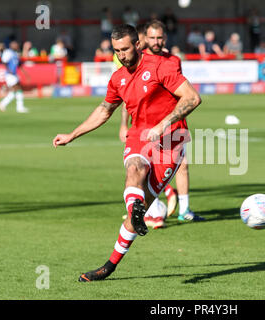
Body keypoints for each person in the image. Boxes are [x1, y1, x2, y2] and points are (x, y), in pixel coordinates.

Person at [52, 24, 202, 282]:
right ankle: (135, 209)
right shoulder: (118, 78)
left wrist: (163, 124)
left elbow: (191, 98)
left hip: (172, 142)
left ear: (138, 45)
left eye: (125, 49)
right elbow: (103, 111)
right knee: (134, 168)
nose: (121, 55)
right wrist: (72, 134)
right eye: (116, 50)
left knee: (140, 211)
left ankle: (109, 264)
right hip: (139, 136)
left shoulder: (160, 67)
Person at [121, 20, 204, 229]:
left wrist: (177, 119)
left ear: (164, 38)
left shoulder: (173, 60)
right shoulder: (138, 61)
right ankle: (149, 210)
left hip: (172, 124)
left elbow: (182, 93)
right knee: (146, 168)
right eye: (152, 38)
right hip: (145, 126)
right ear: (144, 39)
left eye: (160, 38)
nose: (156, 42)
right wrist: (123, 125)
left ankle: (184, 210)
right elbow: (128, 97)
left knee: (182, 165)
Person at [0, 41, 29, 113]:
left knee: (15, 91)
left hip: (14, 74)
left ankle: (3, 103)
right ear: (11, 45)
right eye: (15, 44)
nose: (16, 45)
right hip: (10, 75)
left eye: (17, 44)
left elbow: (19, 65)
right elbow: (4, 62)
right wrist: (9, 71)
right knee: (18, 89)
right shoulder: (8, 52)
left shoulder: (15, 53)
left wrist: (25, 74)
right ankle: (19, 107)